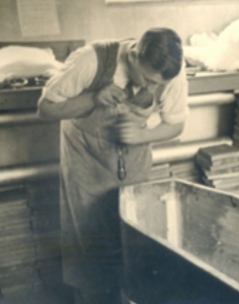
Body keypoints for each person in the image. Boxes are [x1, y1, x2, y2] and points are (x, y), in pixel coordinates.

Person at [37, 28, 189, 304]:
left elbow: (176, 124)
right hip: (85, 160)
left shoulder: (170, 72)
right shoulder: (91, 61)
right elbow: (45, 108)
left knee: (133, 240)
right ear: (132, 56)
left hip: (134, 161)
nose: (152, 89)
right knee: (89, 245)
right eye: (147, 79)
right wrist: (92, 99)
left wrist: (143, 135)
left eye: (158, 83)